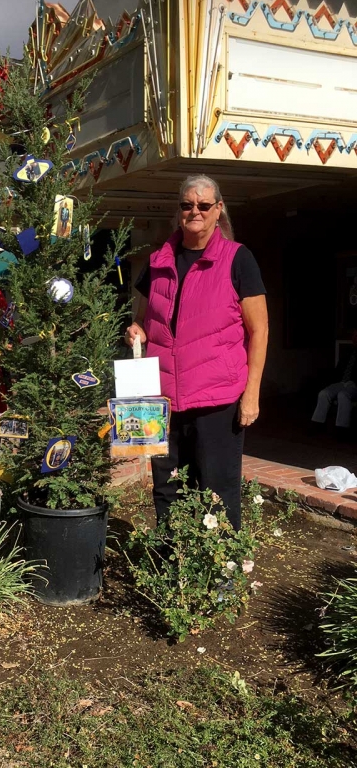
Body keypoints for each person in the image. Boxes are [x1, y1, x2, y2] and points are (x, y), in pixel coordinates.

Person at [125, 175, 269, 531]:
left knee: (217, 492)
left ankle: (219, 580)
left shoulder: (238, 259)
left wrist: (251, 394)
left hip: (216, 400)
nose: (195, 211)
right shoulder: (158, 260)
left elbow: (260, 330)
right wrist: (135, 330)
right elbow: (141, 318)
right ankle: (175, 573)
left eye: (204, 205)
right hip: (162, 401)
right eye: (188, 204)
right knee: (167, 490)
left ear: (218, 210)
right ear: (179, 211)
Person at [311, 330, 357, 433]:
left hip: (353, 384)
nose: (354, 338)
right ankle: (318, 424)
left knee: (343, 395)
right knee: (324, 393)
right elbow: (338, 370)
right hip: (341, 382)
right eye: (353, 336)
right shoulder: (348, 352)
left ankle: (342, 429)